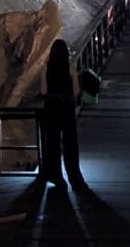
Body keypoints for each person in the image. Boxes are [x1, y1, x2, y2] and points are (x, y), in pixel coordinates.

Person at [38, 40, 89, 192]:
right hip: (66, 107)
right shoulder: (71, 68)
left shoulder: (46, 68)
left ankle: (56, 176)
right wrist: (74, 76)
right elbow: (76, 91)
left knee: (52, 143)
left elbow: (43, 91)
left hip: (52, 107)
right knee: (70, 144)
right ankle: (75, 177)